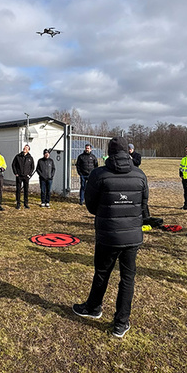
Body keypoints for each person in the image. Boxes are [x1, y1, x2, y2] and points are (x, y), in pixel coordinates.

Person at [72, 137, 148, 339]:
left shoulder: (100, 174)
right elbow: (143, 205)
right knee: (127, 279)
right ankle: (120, 321)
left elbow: (91, 204)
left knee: (102, 273)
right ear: (127, 151)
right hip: (132, 235)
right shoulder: (140, 175)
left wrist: (109, 215)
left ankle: (95, 307)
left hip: (108, 234)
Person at [11, 144, 35, 209]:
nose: (25, 148)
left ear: (28, 150)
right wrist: (16, 173)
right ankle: (18, 203)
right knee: (18, 190)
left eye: (26, 148)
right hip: (19, 176)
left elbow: (32, 167)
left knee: (26, 190)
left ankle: (25, 203)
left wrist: (29, 175)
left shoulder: (30, 158)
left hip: (26, 176)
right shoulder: (18, 156)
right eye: (24, 147)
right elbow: (13, 165)